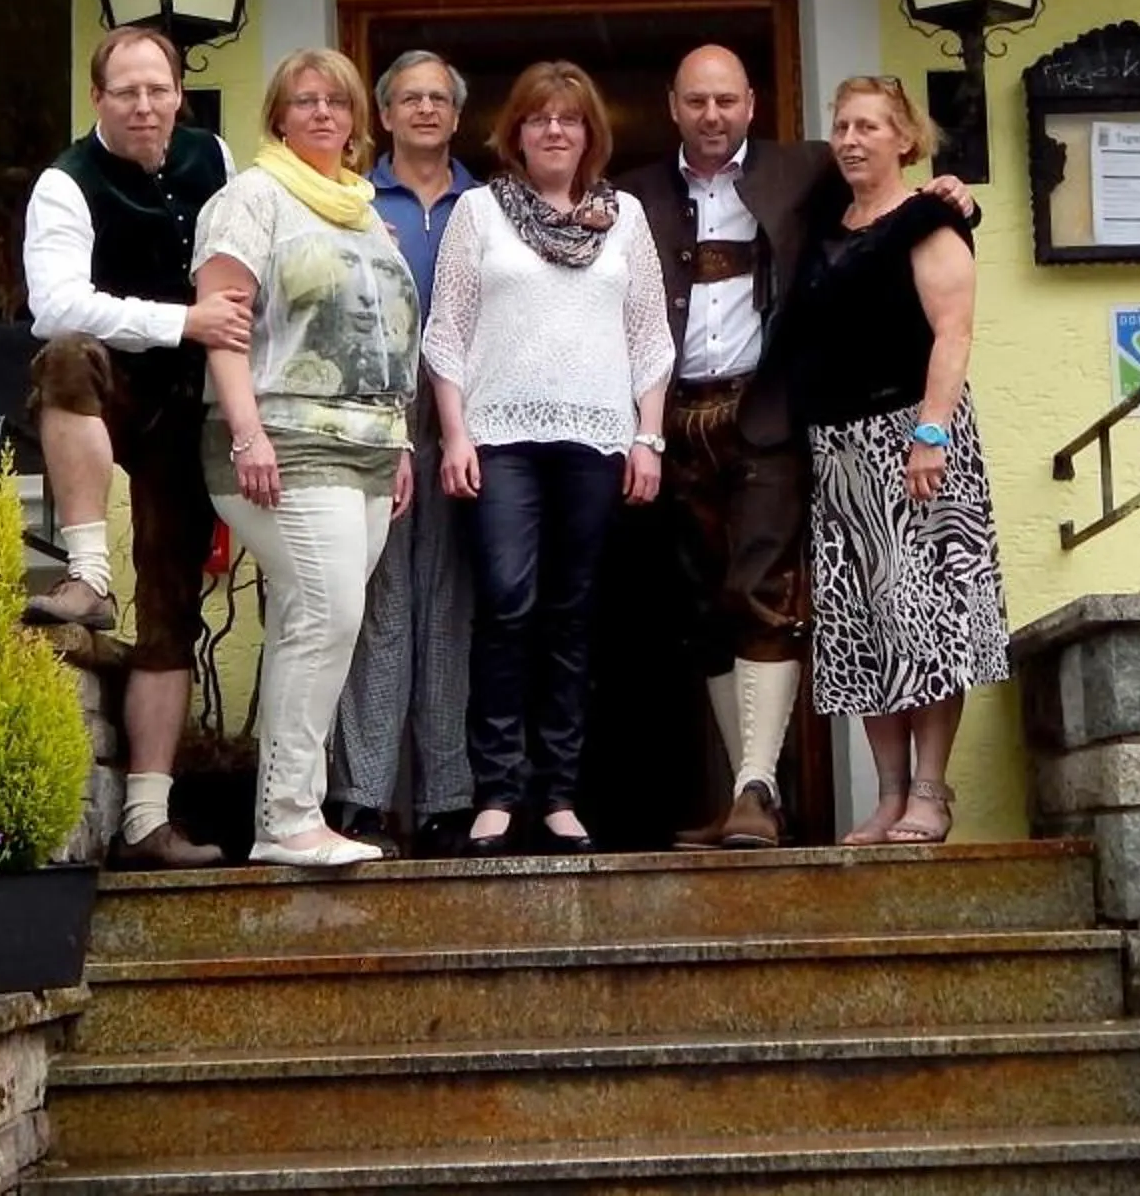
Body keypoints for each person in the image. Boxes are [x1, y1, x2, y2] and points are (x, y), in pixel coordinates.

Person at [615, 45, 972, 850]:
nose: (712, 116)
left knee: (765, 590)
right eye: (697, 101)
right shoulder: (633, 192)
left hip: (770, 412)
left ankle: (758, 786)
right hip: (671, 420)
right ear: (672, 106)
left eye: (727, 101)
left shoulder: (805, 168)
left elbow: (895, 195)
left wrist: (951, 192)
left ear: (752, 104)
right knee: (706, 605)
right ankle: (750, 793)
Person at [425, 61, 674, 855]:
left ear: (590, 132)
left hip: (597, 440)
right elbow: (446, 331)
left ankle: (559, 794)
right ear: (517, 132)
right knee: (506, 604)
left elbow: (649, 337)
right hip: (499, 439)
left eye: (569, 118)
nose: (555, 130)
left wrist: (648, 436)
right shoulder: (479, 211)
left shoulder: (625, 217)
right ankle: (498, 790)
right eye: (540, 118)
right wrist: (455, 435)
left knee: (571, 615)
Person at [20, 24, 249, 871]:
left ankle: (147, 820)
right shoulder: (65, 182)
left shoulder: (213, 157)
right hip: (113, 390)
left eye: (159, 89)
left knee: (172, 608)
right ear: (98, 98)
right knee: (65, 357)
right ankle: (87, 574)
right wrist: (182, 321)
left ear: (179, 93)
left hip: (191, 407)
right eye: (127, 92)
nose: (145, 106)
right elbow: (55, 303)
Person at [192, 47, 423, 869]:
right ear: (278, 117)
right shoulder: (251, 199)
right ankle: (289, 817)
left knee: (311, 621)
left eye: (337, 101)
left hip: (368, 448)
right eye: (305, 101)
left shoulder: (362, 209)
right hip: (284, 441)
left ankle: (287, 819)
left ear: (357, 119)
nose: (323, 113)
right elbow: (222, 324)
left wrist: (400, 441)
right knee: (329, 614)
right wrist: (246, 432)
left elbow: (386, 337)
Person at [779, 76, 1008, 848]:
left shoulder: (930, 218)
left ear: (905, 139)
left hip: (913, 439)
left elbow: (953, 331)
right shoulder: (828, 221)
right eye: (842, 125)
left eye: (869, 126)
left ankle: (931, 791)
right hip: (839, 448)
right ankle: (887, 796)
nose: (850, 139)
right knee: (862, 625)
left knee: (925, 619)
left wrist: (931, 434)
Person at [329, 49, 481, 858]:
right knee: (378, 605)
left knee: (451, 606)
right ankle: (362, 798)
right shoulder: (350, 199)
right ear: (383, 115)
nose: (425, 109)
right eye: (410, 99)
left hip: (464, 410)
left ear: (456, 116)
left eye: (439, 99)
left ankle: (446, 801)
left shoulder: (488, 205)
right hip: (371, 406)